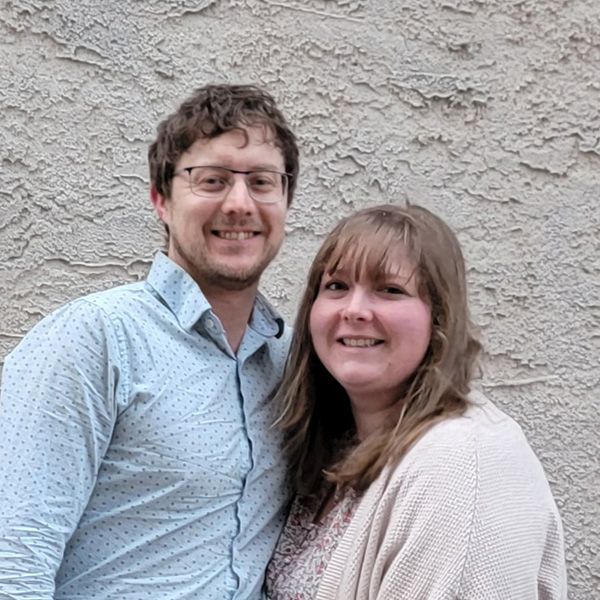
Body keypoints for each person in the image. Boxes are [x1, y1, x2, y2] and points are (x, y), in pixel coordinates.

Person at [0, 84, 299, 600]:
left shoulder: (291, 362)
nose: (239, 203)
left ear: (285, 201)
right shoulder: (95, 339)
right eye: (212, 180)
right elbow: (14, 559)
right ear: (161, 199)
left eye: (261, 182)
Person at [265, 204, 567, 600]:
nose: (354, 310)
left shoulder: (463, 468)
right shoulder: (338, 444)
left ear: (439, 317)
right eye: (336, 286)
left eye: (390, 290)